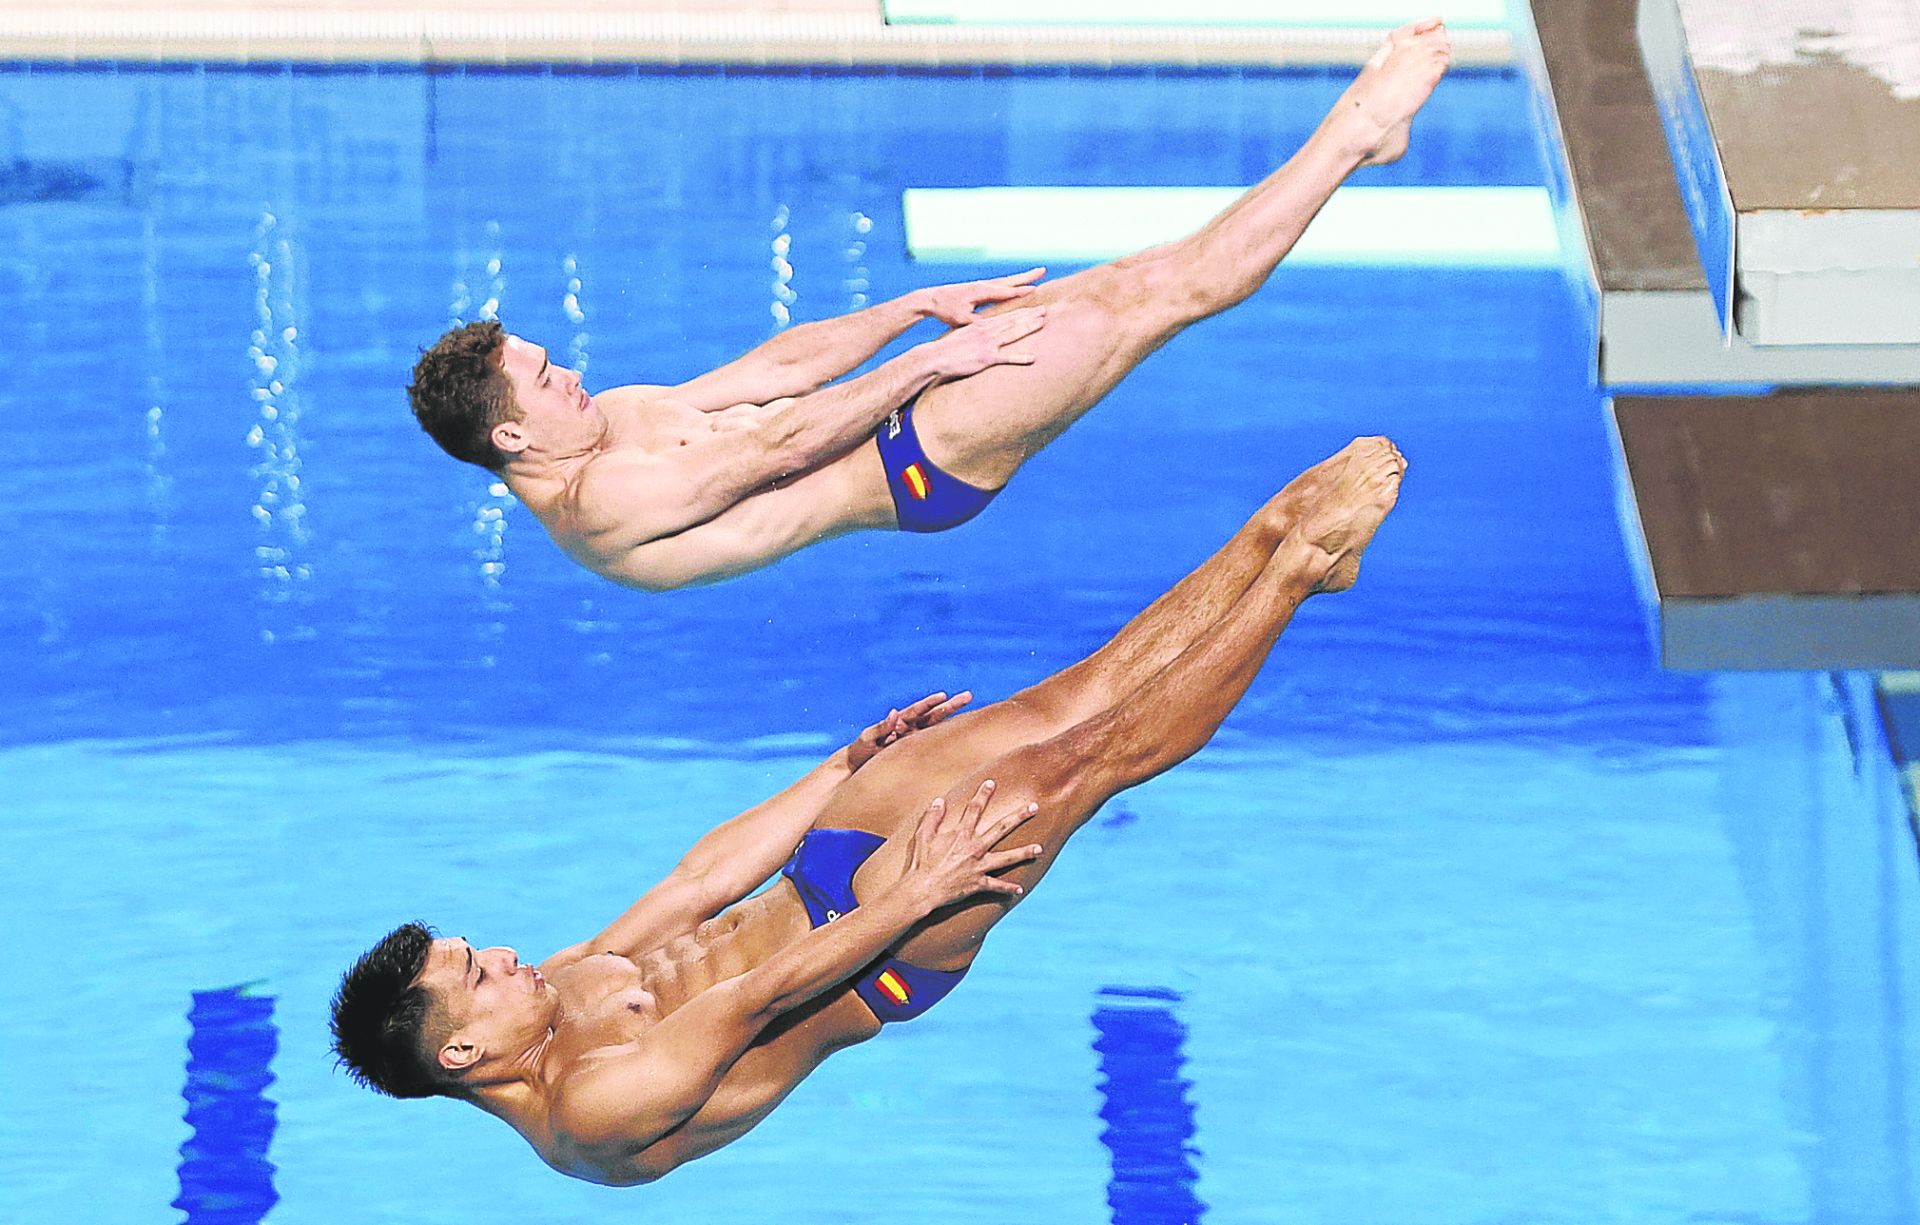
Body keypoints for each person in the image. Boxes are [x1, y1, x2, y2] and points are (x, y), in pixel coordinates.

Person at [330, 436, 1406, 1185]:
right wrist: (928, 888)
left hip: (819, 873)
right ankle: (1298, 576)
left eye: (479, 949)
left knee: (1065, 696)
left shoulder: (561, 985)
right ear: (464, 1054)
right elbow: (762, 994)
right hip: (875, 947)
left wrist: (834, 772)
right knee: (1088, 758)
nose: (506, 955)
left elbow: (700, 885)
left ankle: (1270, 533)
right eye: (478, 975)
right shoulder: (592, 1113)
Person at [404, 22, 1450, 591]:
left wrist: (916, 307)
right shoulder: (601, 508)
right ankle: (1355, 133)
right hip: (919, 459)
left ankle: (1357, 146)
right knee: (1161, 298)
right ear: (510, 433)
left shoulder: (605, 424)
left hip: (907, 412)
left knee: (1142, 278)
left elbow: (776, 374)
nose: (570, 372)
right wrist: (931, 366)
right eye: (545, 379)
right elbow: (774, 454)